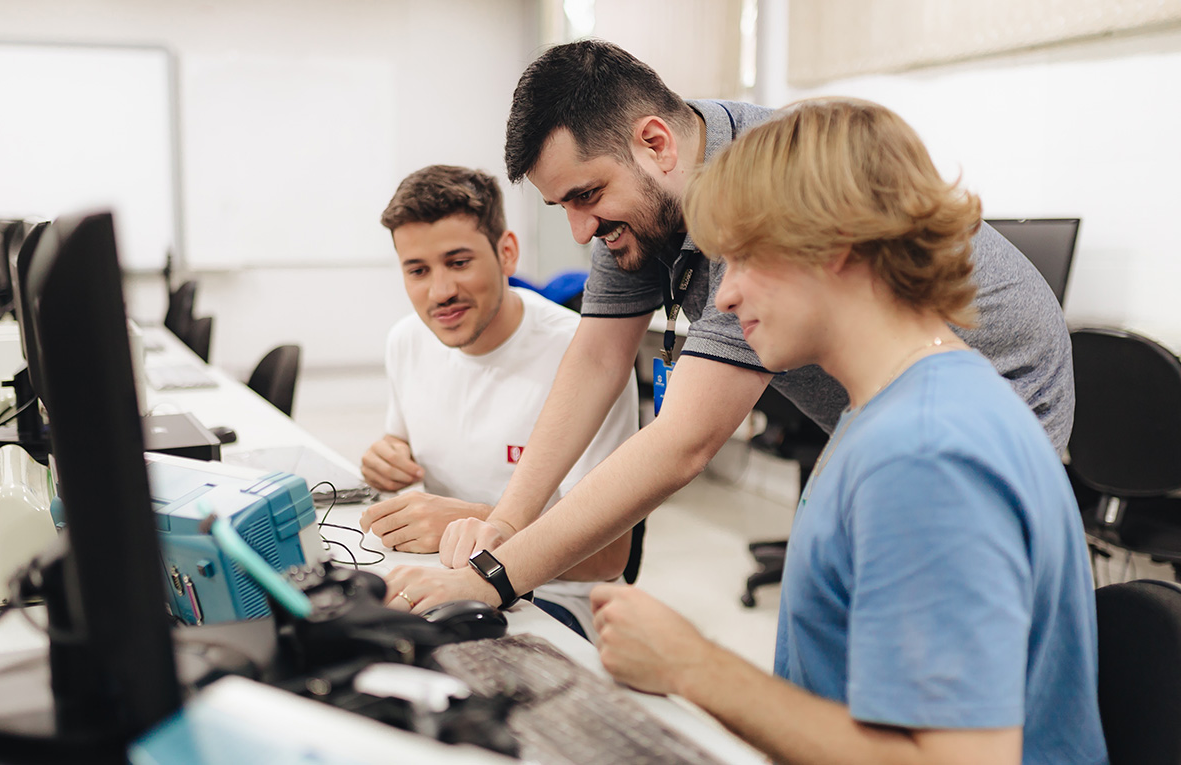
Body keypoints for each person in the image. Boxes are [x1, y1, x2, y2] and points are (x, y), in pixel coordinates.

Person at [382, 40, 1074, 621]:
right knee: (830, 616)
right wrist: (503, 525)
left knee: (901, 621)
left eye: (586, 196)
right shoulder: (639, 204)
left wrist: (493, 577)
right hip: (870, 416)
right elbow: (597, 357)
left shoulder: (766, 204)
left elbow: (684, 439)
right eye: (562, 204)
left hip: (991, 403)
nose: (580, 229)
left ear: (655, 142)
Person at [589, 97, 1106, 765]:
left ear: (837, 246)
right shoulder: (892, 410)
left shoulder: (926, 453)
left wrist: (694, 667)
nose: (723, 296)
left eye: (744, 259)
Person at [360, 164, 639, 637]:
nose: (440, 291)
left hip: (550, 597)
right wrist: (387, 455)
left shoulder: (587, 357)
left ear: (506, 252)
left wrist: (479, 523)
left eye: (459, 262)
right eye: (418, 270)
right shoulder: (406, 340)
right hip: (437, 572)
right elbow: (404, 443)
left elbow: (610, 558)